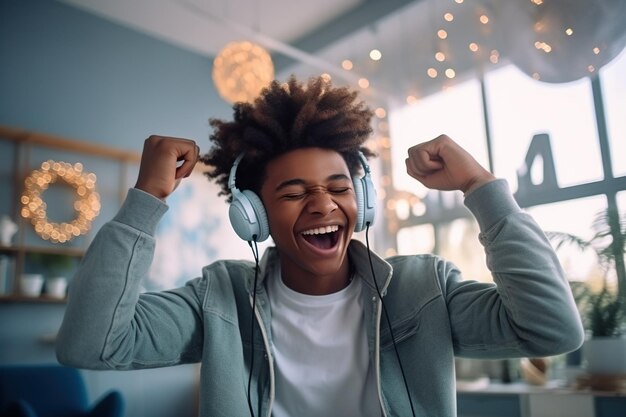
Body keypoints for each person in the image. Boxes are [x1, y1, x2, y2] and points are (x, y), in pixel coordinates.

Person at [56, 76, 584, 417]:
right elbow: (90, 344)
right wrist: (147, 198)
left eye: (337, 188)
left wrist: (481, 188)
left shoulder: (426, 289)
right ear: (252, 214)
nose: (321, 204)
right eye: (292, 193)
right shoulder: (219, 297)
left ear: (363, 201)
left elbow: (551, 327)